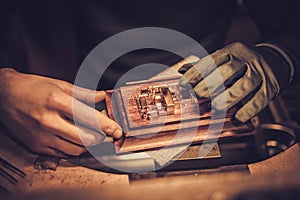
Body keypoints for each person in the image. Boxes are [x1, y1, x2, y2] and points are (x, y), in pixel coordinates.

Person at [0, 0, 299, 157]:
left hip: (206, 103)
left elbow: (291, 24)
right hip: (73, 106)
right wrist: (4, 85)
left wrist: (279, 56)